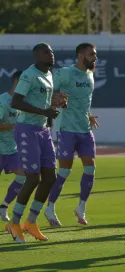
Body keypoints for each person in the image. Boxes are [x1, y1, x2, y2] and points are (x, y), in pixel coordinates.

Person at [6, 43, 67, 243]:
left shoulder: (49, 75)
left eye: (51, 51)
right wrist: (44, 112)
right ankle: (14, 223)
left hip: (43, 130)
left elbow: (42, 103)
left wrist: (55, 104)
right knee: (33, 179)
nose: (51, 54)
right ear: (36, 56)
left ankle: (30, 222)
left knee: (50, 177)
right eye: (46, 52)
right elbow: (16, 102)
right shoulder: (28, 75)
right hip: (26, 130)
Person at [44, 43, 99, 227]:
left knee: (90, 168)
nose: (95, 57)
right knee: (64, 171)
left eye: (95, 54)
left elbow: (83, 100)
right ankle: (50, 207)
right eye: (92, 54)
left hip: (85, 129)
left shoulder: (90, 74)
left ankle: (81, 207)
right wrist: (56, 100)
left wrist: (89, 115)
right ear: (81, 55)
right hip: (67, 129)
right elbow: (46, 92)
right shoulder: (66, 73)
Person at [0, 71, 26, 222]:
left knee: (22, 177)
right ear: (17, 81)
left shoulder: (23, 102)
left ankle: (4, 206)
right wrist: (14, 126)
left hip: (13, 149)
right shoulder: (3, 101)